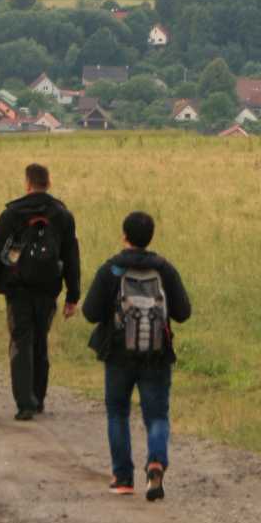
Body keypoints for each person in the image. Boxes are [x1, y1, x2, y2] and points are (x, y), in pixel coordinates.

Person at [82, 210, 190, 499]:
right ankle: (155, 461)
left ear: (124, 235)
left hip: (117, 356)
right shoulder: (164, 269)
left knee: (118, 414)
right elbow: (183, 312)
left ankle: (123, 477)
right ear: (150, 237)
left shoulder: (111, 269)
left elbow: (90, 312)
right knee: (156, 415)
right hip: (156, 357)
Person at [0, 162, 80, 421]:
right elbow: (71, 256)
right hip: (49, 290)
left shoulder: (12, 213)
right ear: (49, 184)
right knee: (40, 341)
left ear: (27, 184)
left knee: (21, 342)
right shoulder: (62, 215)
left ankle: (24, 404)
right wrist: (72, 295)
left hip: (18, 289)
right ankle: (38, 398)